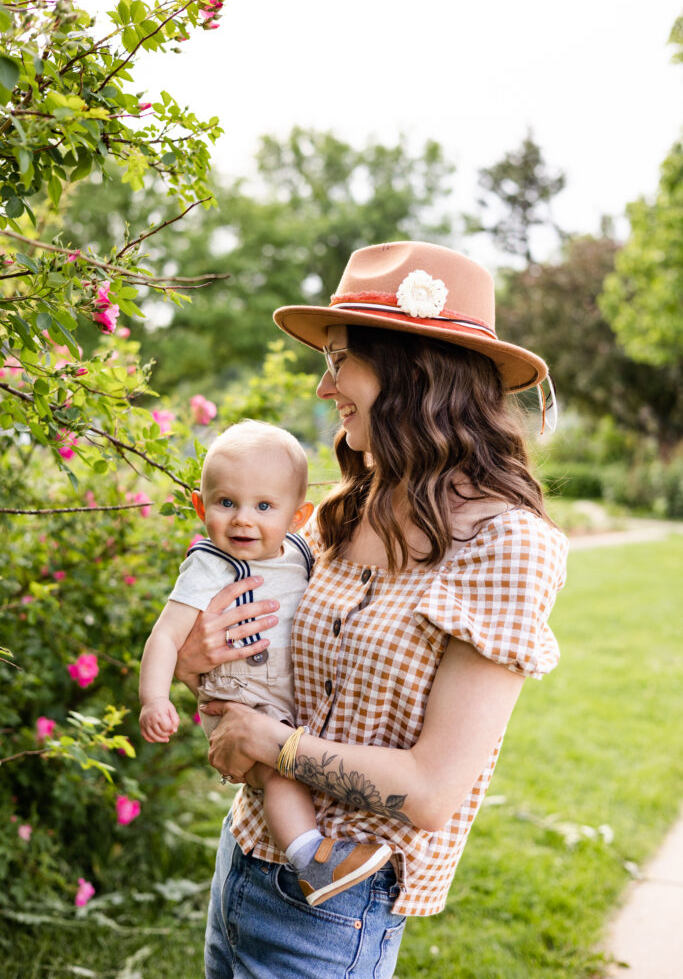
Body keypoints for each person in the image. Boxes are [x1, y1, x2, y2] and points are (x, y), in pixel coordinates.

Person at [173, 242, 569, 979]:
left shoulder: (505, 544)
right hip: (244, 856)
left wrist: (271, 745)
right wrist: (199, 662)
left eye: (339, 360)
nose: (325, 389)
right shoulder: (337, 511)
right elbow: (254, 653)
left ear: (408, 369)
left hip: (333, 911)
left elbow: (429, 791)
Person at [138, 419, 393, 906]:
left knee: (290, 764)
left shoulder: (300, 552)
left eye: (263, 506)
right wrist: (154, 698)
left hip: (282, 703)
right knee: (279, 772)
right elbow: (164, 637)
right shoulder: (211, 565)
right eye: (226, 502)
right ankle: (311, 858)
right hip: (241, 701)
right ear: (200, 505)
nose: (242, 521)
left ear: (298, 518)